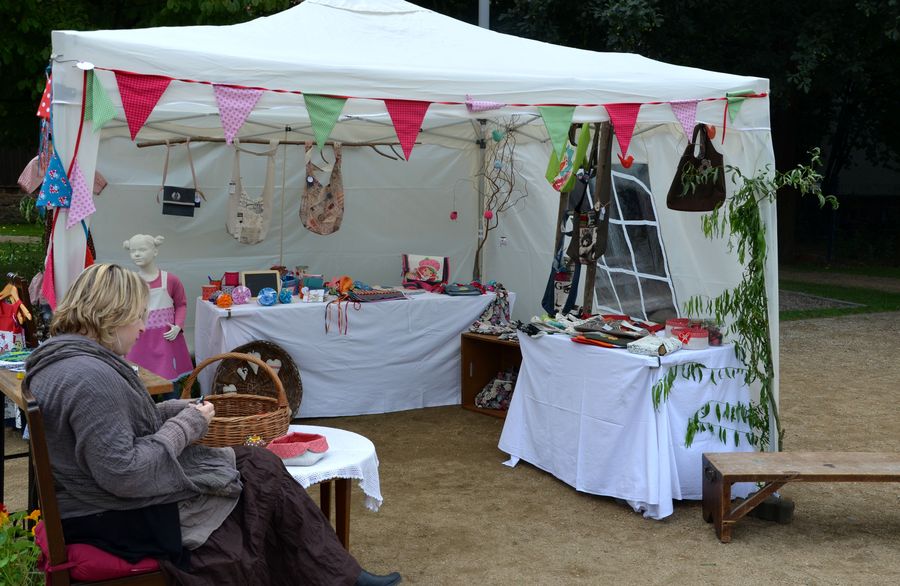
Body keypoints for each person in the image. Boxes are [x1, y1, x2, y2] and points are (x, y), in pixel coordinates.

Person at [24, 263, 401, 586]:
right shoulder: (91, 378)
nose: (142, 327)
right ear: (113, 314)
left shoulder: (65, 360)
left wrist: (173, 410)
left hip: (98, 502)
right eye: (138, 315)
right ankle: (340, 577)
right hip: (113, 514)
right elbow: (125, 473)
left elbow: (120, 427)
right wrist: (187, 424)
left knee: (259, 462)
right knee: (254, 503)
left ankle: (342, 575)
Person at [122, 234, 193, 391]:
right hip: (139, 341)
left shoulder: (171, 280)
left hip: (165, 340)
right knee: (139, 384)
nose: (137, 254)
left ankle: (172, 405)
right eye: (133, 251)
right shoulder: (130, 282)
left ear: (155, 251)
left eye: (142, 250)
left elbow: (181, 304)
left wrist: (178, 326)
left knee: (170, 384)